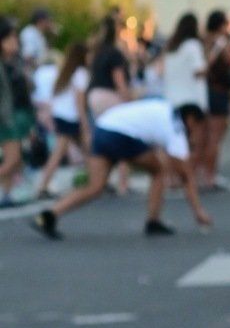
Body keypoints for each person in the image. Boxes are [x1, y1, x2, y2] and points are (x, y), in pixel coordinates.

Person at [35, 86, 212, 238]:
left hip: (103, 128)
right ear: (190, 120)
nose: (196, 133)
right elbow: (185, 174)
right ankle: (153, 220)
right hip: (122, 135)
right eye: (197, 127)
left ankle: (49, 216)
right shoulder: (176, 127)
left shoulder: (164, 106)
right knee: (158, 171)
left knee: (95, 186)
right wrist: (198, 212)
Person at [33, 38, 91, 201]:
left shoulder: (65, 72)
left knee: (83, 149)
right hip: (71, 117)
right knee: (64, 151)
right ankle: (43, 185)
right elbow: (79, 101)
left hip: (61, 115)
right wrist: (84, 121)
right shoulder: (81, 73)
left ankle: (95, 178)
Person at [161, 12, 210, 188]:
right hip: (191, 100)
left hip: (172, 100)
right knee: (193, 142)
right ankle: (189, 176)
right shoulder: (192, 45)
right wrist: (209, 61)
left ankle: (172, 177)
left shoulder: (171, 48)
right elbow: (199, 71)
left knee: (175, 143)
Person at [201, 12, 230, 189]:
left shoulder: (203, 41)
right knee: (215, 137)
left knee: (203, 136)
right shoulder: (221, 42)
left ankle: (201, 173)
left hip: (203, 92)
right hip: (218, 92)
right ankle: (210, 175)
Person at [0, 21, 36, 204]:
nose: (16, 41)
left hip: (17, 115)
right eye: (11, 37)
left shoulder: (15, 61)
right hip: (7, 118)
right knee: (13, 159)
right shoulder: (4, 66)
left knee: (13, 159)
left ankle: (6, 194)